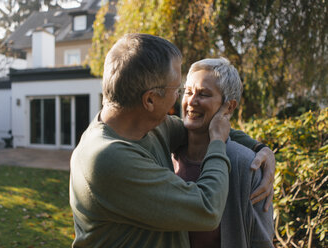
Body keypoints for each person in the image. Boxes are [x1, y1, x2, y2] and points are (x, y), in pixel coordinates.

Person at [69, 33, 275, 248]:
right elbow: (207, 209)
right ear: (150, 99)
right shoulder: (108, 158)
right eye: (179, 90)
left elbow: (206, 127)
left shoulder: (148, 127)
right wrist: (217, 143)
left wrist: (260, 148)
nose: (182, 99)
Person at [172, 57, 274, 247]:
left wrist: (262, 150)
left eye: (203, 94)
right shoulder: (165, 154)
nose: (192, 101)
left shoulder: (247, 165)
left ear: (229, 107)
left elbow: (261, 241)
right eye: (188, 92)